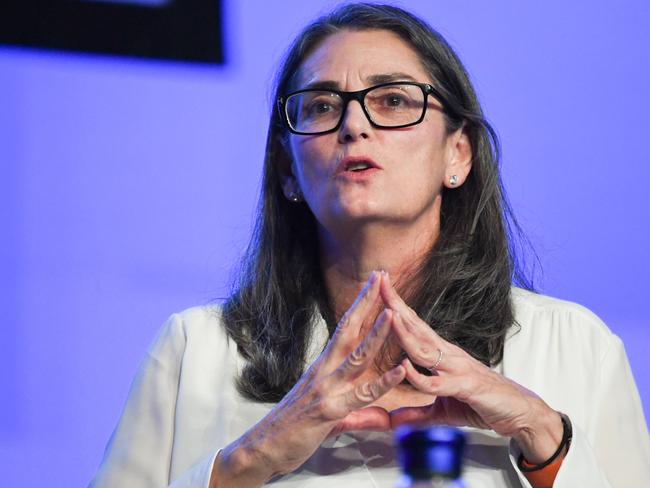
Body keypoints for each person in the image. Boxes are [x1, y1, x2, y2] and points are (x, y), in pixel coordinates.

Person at [90, 4, 650, 487]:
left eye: (393, 101)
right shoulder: (194, 350)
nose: (354, 124)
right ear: (288, 171)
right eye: (322, 107)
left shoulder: (576, 347)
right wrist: (252, 458)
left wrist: (544, 437)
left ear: (458, 155)